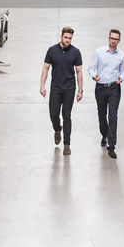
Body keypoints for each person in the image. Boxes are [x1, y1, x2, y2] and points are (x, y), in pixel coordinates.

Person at [39, 26, 83, 155]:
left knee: (66, 115)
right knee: (53, 114)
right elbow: (46, 68)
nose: (68, 40)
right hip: (56, 88)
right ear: (61, 37)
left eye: (70, 38)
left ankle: (67, 144)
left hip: (69, 88)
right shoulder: (52, 50)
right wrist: (42, 85)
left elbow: (79, 71)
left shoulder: (76, 52)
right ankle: (57, 129)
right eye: (66, 37)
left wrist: (80, 90)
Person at [87, 28, 124, 159]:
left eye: (116, 39)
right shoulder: (99, 52)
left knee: (113, 116)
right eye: (111, 38)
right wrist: (94, 76)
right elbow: (91, 68)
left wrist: (122, 77)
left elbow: (123, 70)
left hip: (114, 88)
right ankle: (104, 134)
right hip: (100, 87)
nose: (113, 41)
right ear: (108, 38)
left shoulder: (122, 56)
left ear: (119, 41)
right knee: (102, 115)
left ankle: (112, 146)